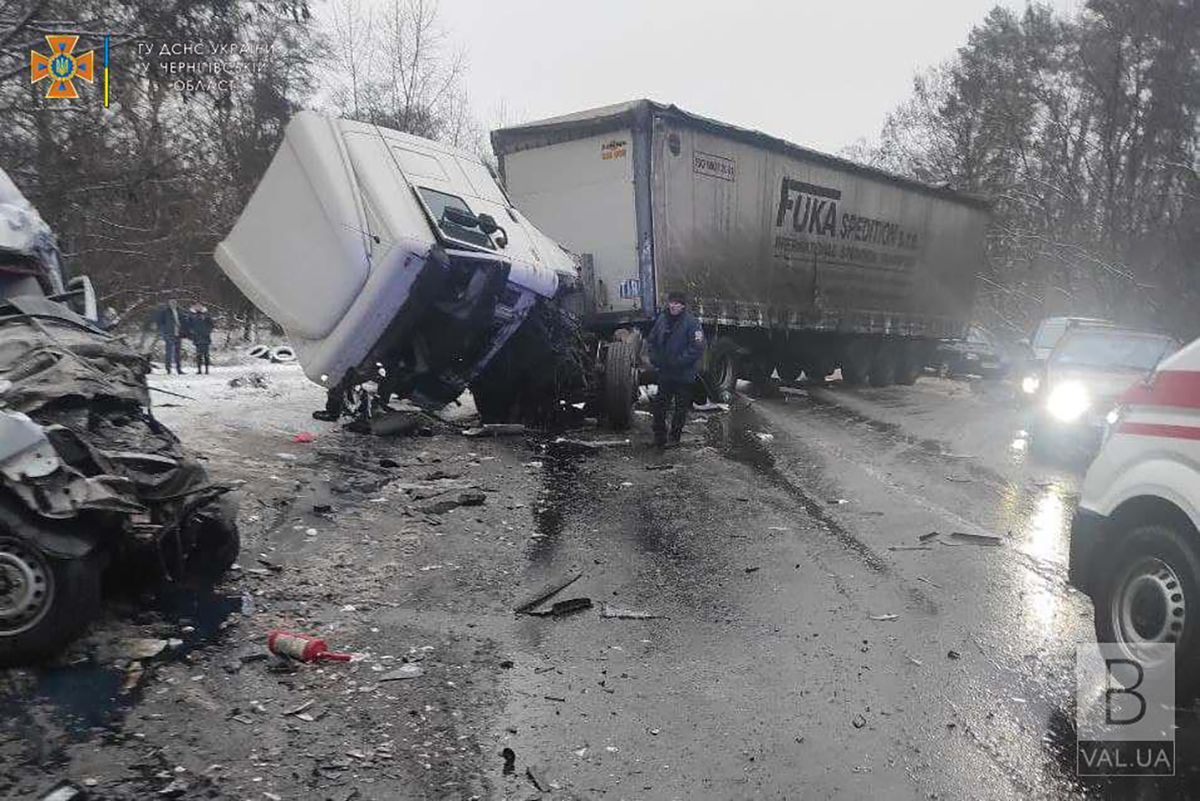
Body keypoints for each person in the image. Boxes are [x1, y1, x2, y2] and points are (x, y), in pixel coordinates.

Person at [647, 290, 705, 448]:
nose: (673, 306)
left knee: (680, 409)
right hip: (665, 372)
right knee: (659, 406)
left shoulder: (692, 323)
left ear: (683, 306)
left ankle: (674, 437)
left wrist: (679, 361)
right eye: (672, 302)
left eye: (677, 303)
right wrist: (655, 358)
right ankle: (659, 436)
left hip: (683, 374)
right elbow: (651, 340)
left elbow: (697, 347)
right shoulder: (662, 319)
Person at [153, 300, 183, 374]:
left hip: (178, 333)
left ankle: (179, 369)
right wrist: (164, 333)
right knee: (169, 351)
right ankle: (168, 368)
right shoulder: (165, 312)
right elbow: (160, 323)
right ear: (169, 304)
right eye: (172, 303)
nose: (173, 305)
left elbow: (183, 321)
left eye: (175, 303)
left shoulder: (180, 311)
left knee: (178, 352)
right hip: (169, 333)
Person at [189, 304, 214, 374]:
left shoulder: (207, 320)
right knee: (199, 355)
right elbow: (191, 328)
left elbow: (211, 327)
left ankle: (206, 370)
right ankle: (200, 370)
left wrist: (206, 333)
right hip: (198, 339)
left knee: (205, 355)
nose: (200, 315)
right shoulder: (194, 320)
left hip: (204, 339)